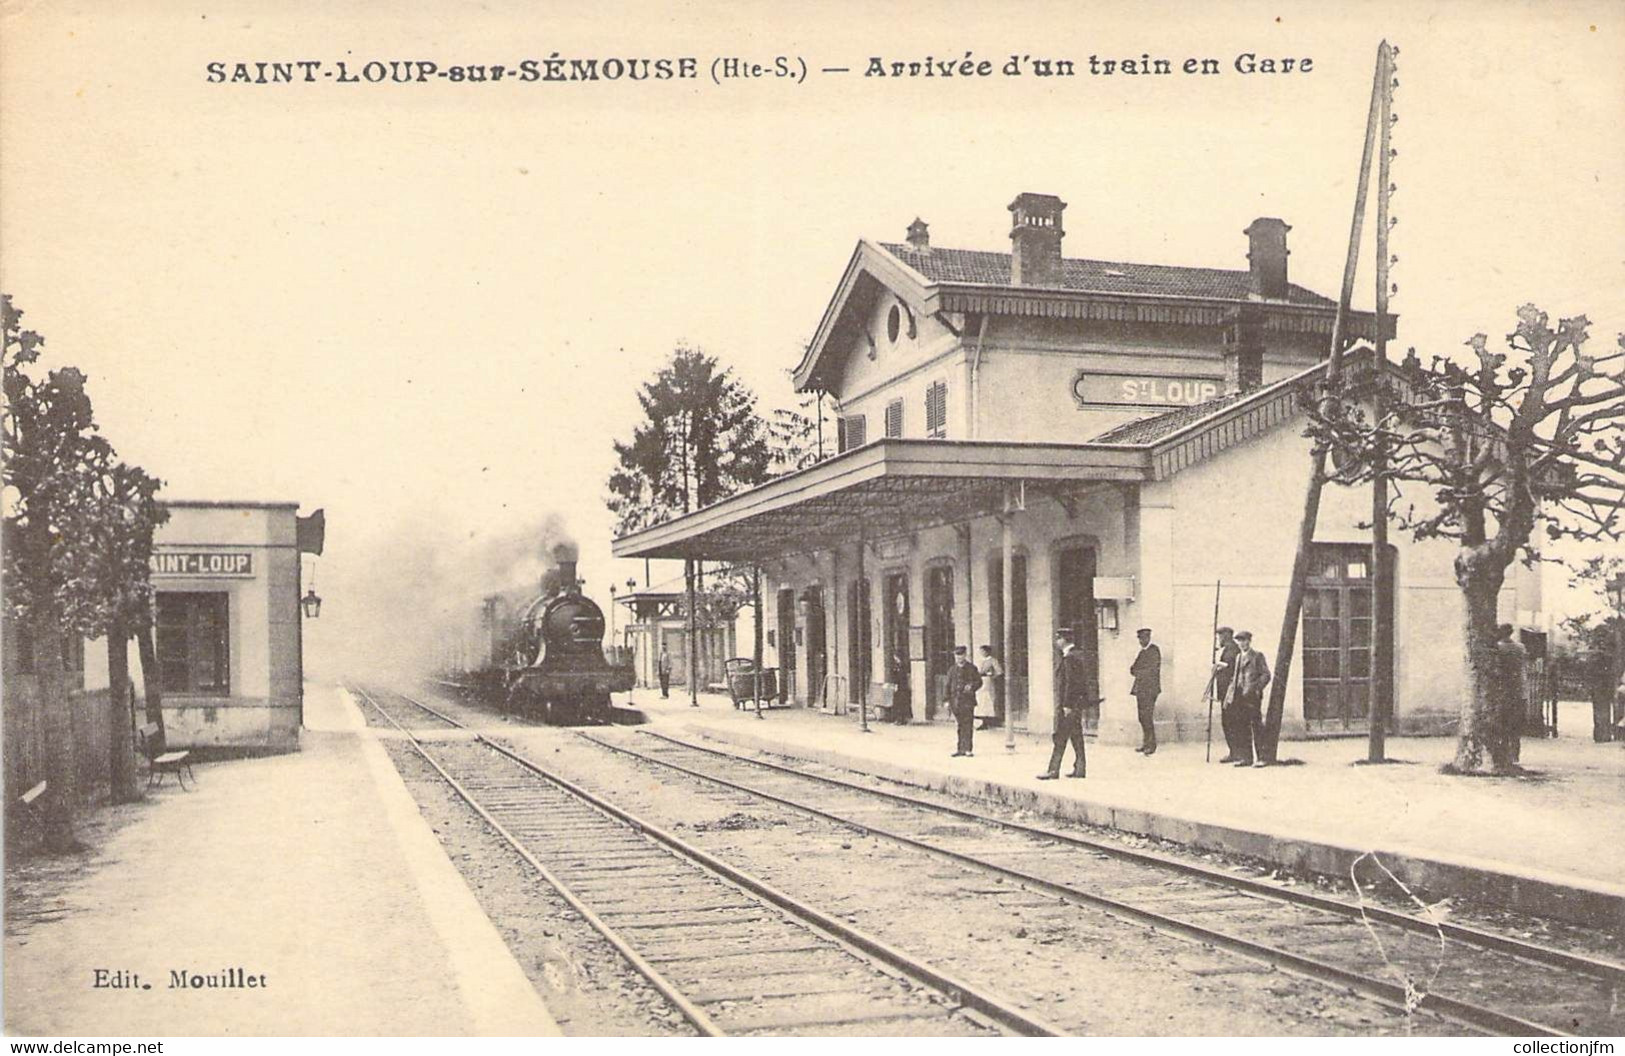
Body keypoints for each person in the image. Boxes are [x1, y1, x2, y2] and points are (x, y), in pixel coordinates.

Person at [1039, 630, 1090, 779]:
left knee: (1060, 737)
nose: (1056, 642)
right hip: (1075, 704)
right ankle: (1080, 768)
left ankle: (1053, 770)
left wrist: (1067, 704)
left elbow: (1070, 684)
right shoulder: (1075, 656)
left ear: (1064, 640)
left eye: (1058, 639)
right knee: (1076, 737)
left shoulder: (1070, 658)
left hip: (1069, 705)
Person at [1224, 630, 1271, 767]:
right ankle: (1246, 758)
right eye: (1239, 641)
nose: (1242, 643)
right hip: (1239, 696)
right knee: (1242, 727)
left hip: (1252, 697)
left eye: (1244, 640)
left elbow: (1266, 675)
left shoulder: (1257, 656)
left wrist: (1256, 689)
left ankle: (1262, 758)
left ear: (1249, 641)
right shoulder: (1238, 657)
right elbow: (1235, 677)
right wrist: (1230, 695)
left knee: (1256, 726)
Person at [946, 645, 983, 756]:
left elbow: (979, 682)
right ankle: (960, 749)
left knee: (967, 725)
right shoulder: (952, 669)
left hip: (967, 701)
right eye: (957, 656)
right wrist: (946, 700)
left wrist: (971, 686)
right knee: (960, 725)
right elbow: (948, 685)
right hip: (955, 702)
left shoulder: (972, 668)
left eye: (961, 656)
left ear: (965, 655)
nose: (959, 659)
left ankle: (968, 749)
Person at [1212, 627, 1242, 761]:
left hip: (1230, 694)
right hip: (1226, 693)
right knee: (1229, 722)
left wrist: (1218, 665)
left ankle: (1236, 752)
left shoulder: (1232, 650)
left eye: (1220, 637)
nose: (1219, 640)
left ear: (1226, 636)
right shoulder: (1229, 649)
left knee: (1231, 722)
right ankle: (1234, 752)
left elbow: (1229, 666)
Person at [1130, 627, 1162, 755]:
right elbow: (1132, 669)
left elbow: (1152, 670)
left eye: (1143, 638)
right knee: (1142, 717)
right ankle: (1145, 743)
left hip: (1150, 689)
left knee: (1147, 717)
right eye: (1139, 639)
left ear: (1148, 638)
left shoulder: (1153, 651)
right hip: (1141, 689)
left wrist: (1140, 672)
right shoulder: (1142, 652)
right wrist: (1140, 672)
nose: (1141, 641)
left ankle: (1151, 745)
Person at [975, 645, 1003, 730]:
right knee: (980, 701)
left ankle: (989, 721)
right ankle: (982, 722)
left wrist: (991, 676)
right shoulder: (980, 660)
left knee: (987, 700)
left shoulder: (992, 660)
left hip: (988, 682)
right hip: (980, 681)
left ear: (987, 652)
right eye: (981, 652)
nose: (982, 653)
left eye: (983, 651)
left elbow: (999, 671)